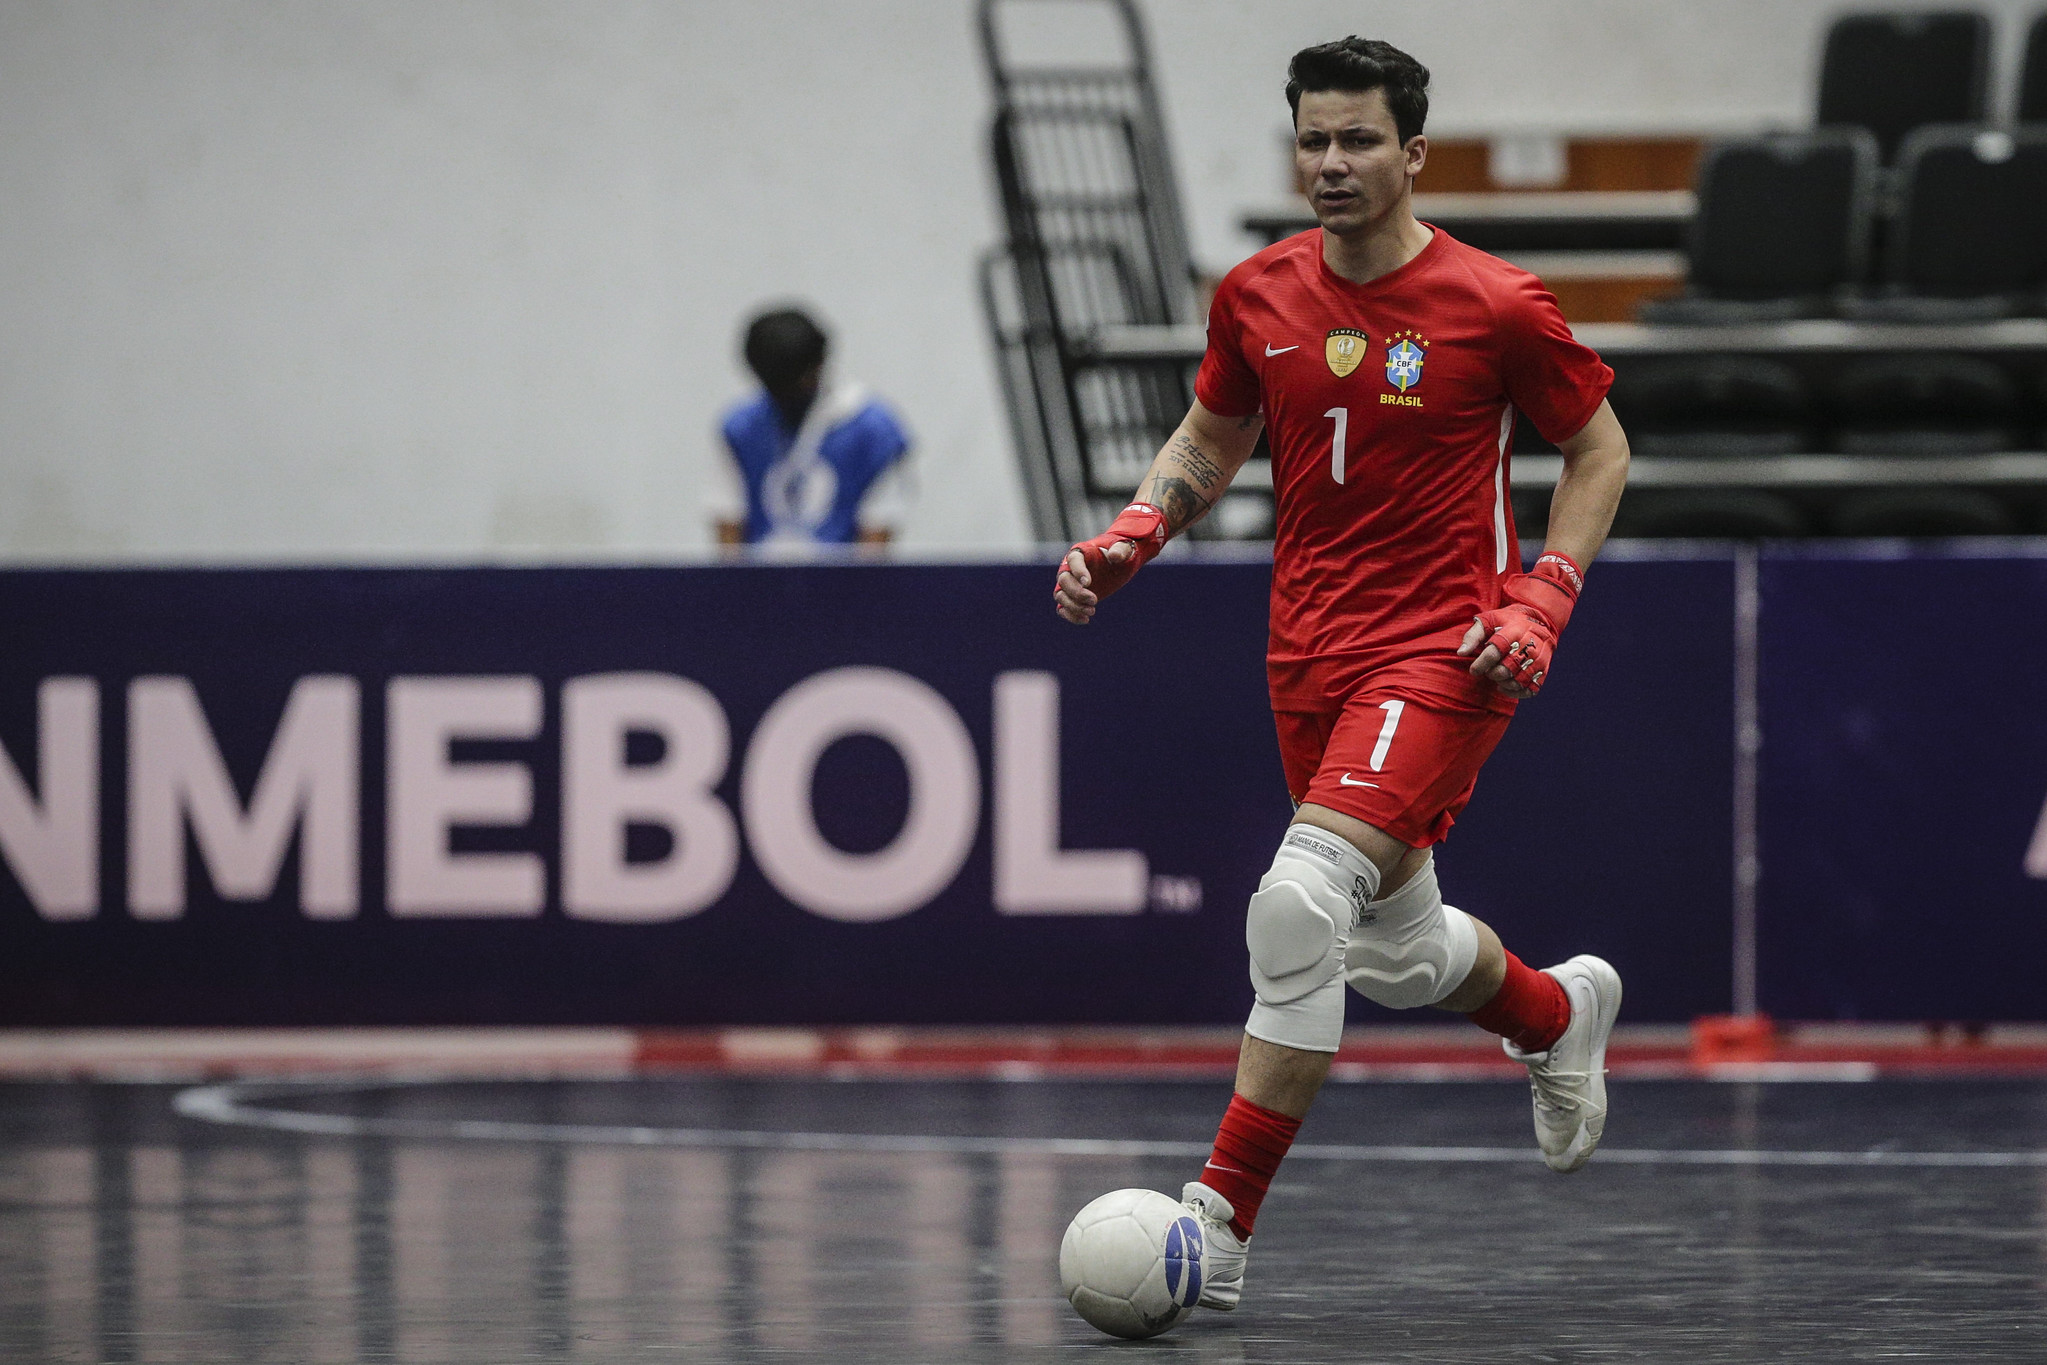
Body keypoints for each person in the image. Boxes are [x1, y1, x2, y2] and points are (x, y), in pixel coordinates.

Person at [1052, 37, 1632, 1311]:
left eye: (1357, 139)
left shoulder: (1496, 303)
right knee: (1395, 950)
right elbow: (1214, 431)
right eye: (1312, 139)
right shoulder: (1254, 293)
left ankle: (1216, 1229)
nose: (1330, 161)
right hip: (1306, 650)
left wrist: (1542, 597)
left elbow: (1598, 450)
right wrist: (1134, 533)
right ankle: (1552, 1017)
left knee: (1298, 906)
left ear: (1411, 154)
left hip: (1448, 648)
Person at [710, 307, 912, 551]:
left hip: (842, 573)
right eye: (775, 386)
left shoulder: (873, 430)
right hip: (761, 572)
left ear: (819, 365)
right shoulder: (741, 426)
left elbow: (877, 536)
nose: (786, 394)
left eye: (796, 383)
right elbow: (728, 522)